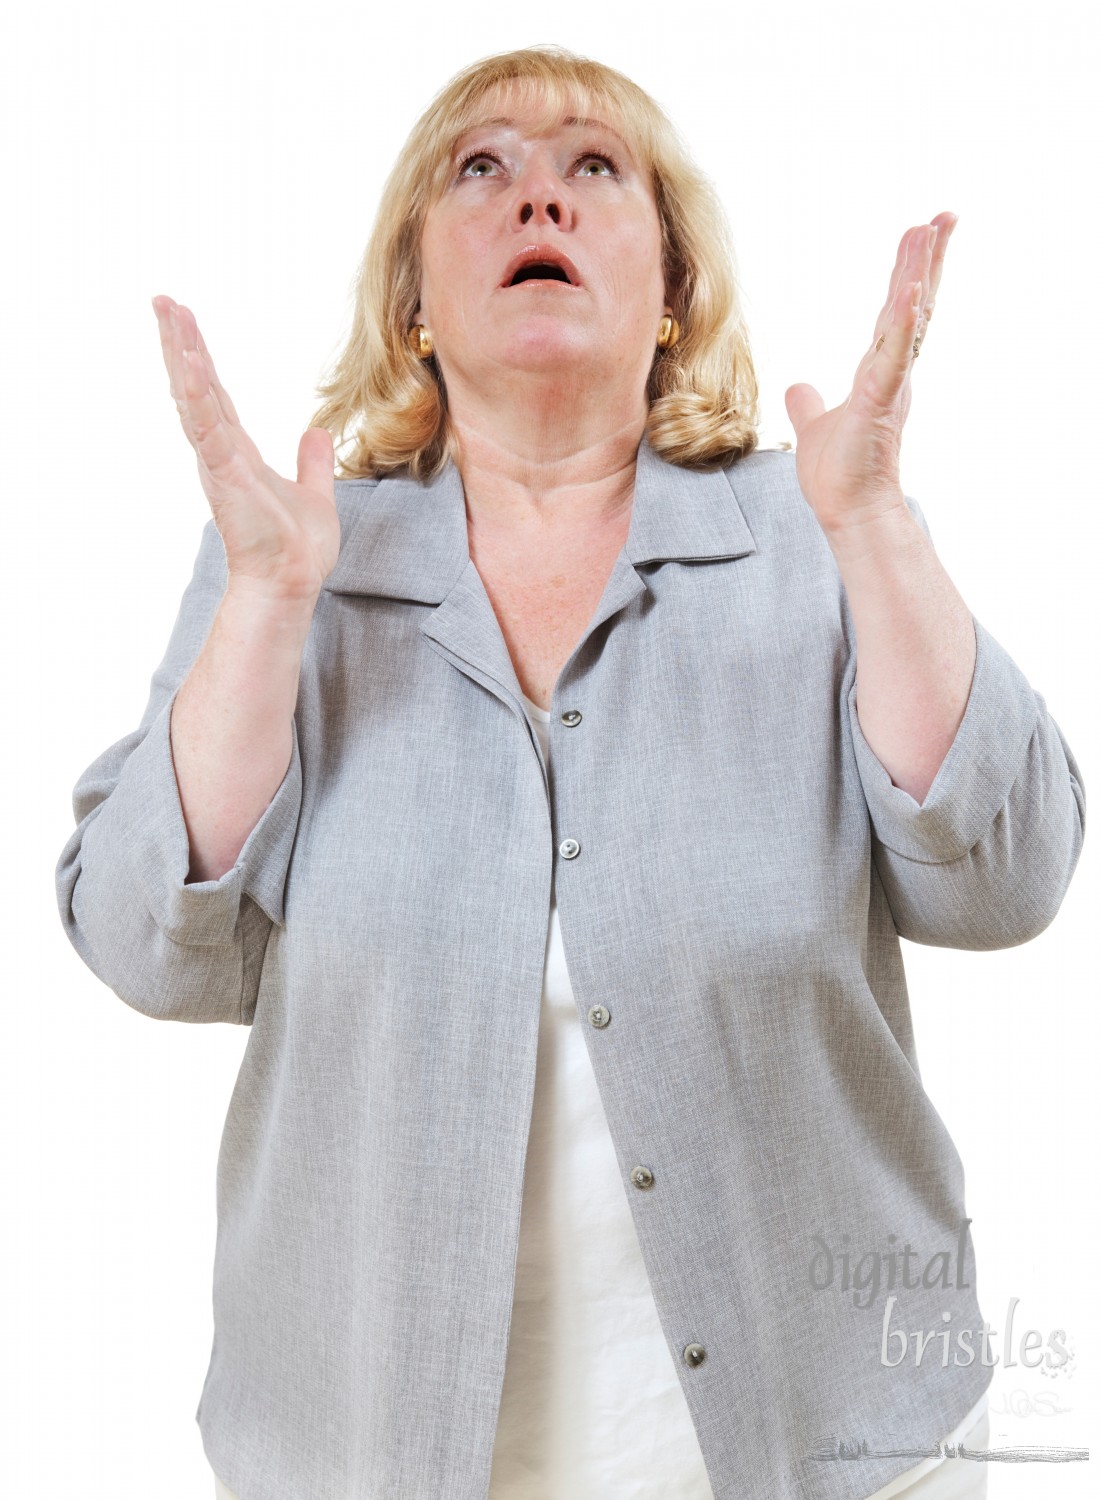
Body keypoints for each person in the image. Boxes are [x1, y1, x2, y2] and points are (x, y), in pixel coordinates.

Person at [55, 44, 1084, 1500]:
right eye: (480, 168)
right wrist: (269, 607)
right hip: (369, 1438)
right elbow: (144, 948)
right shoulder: (291, 567)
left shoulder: (813, 539)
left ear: (671, 285)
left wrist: (872, 526)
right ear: (412, 298)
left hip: (829, 1436)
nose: (536, 190)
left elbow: (1005, 881)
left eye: (593, 167)